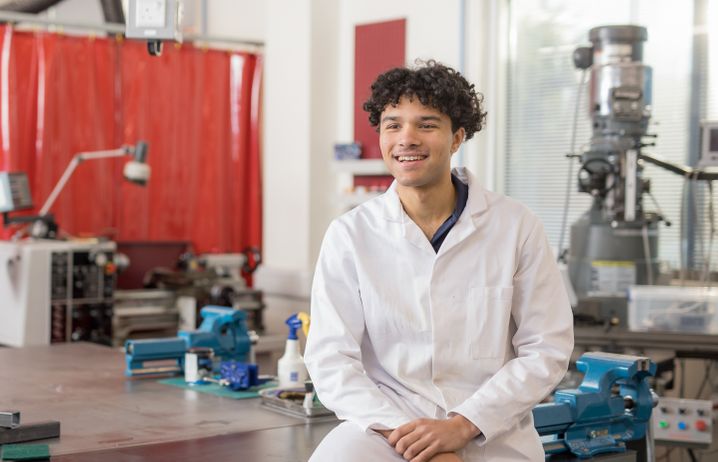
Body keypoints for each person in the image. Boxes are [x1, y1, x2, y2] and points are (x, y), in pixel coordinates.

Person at [305, 60, 574, 461]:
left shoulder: (515, 226)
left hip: (492, 433)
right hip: (385, 429)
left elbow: (545, 348)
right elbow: (331, 359)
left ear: (457, 137)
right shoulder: (351, 235)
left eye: (426, 125)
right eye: (393, 125)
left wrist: (461, 427)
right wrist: (420, 444)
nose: (406, 138)